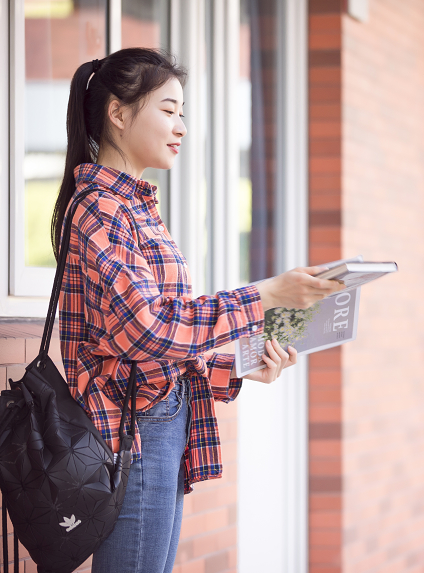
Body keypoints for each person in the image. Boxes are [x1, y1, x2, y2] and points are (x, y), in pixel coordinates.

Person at [51, 48, 344, 573]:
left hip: (157, 426)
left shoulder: (135, 208)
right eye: (167, 110)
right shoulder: (99, 208)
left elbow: (163, 337)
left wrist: (244, 364)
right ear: (118, 114)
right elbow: (149, 331)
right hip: (132, 434)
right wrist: (267, 295)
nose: (181, 126)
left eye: (182, 112)